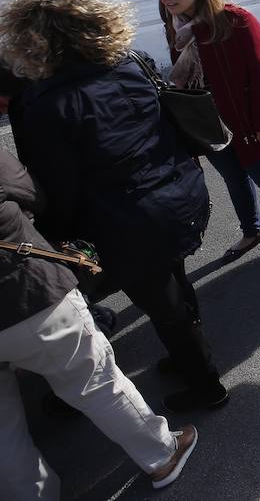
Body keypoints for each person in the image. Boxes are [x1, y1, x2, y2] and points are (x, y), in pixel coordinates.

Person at [0, 0, 228, 412]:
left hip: (129, 220)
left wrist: (58, 237)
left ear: (34, 42)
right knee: (173, 281)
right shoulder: (130, 62)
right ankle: (190, 358)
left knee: (164, 305)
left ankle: (207, 385)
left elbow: (56, 190)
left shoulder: (47, 104)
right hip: (179, 194)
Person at [0, 163, 200, 496]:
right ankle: (162, 454)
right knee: (95, 382)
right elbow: (33, 193)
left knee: (3, 430)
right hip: (26, 294)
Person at [154, 0, 260, 265]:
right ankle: (252, 231)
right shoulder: (177, 26)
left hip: (246, 119)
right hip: (207, 122)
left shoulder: (236, 19)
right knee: (233, 179)